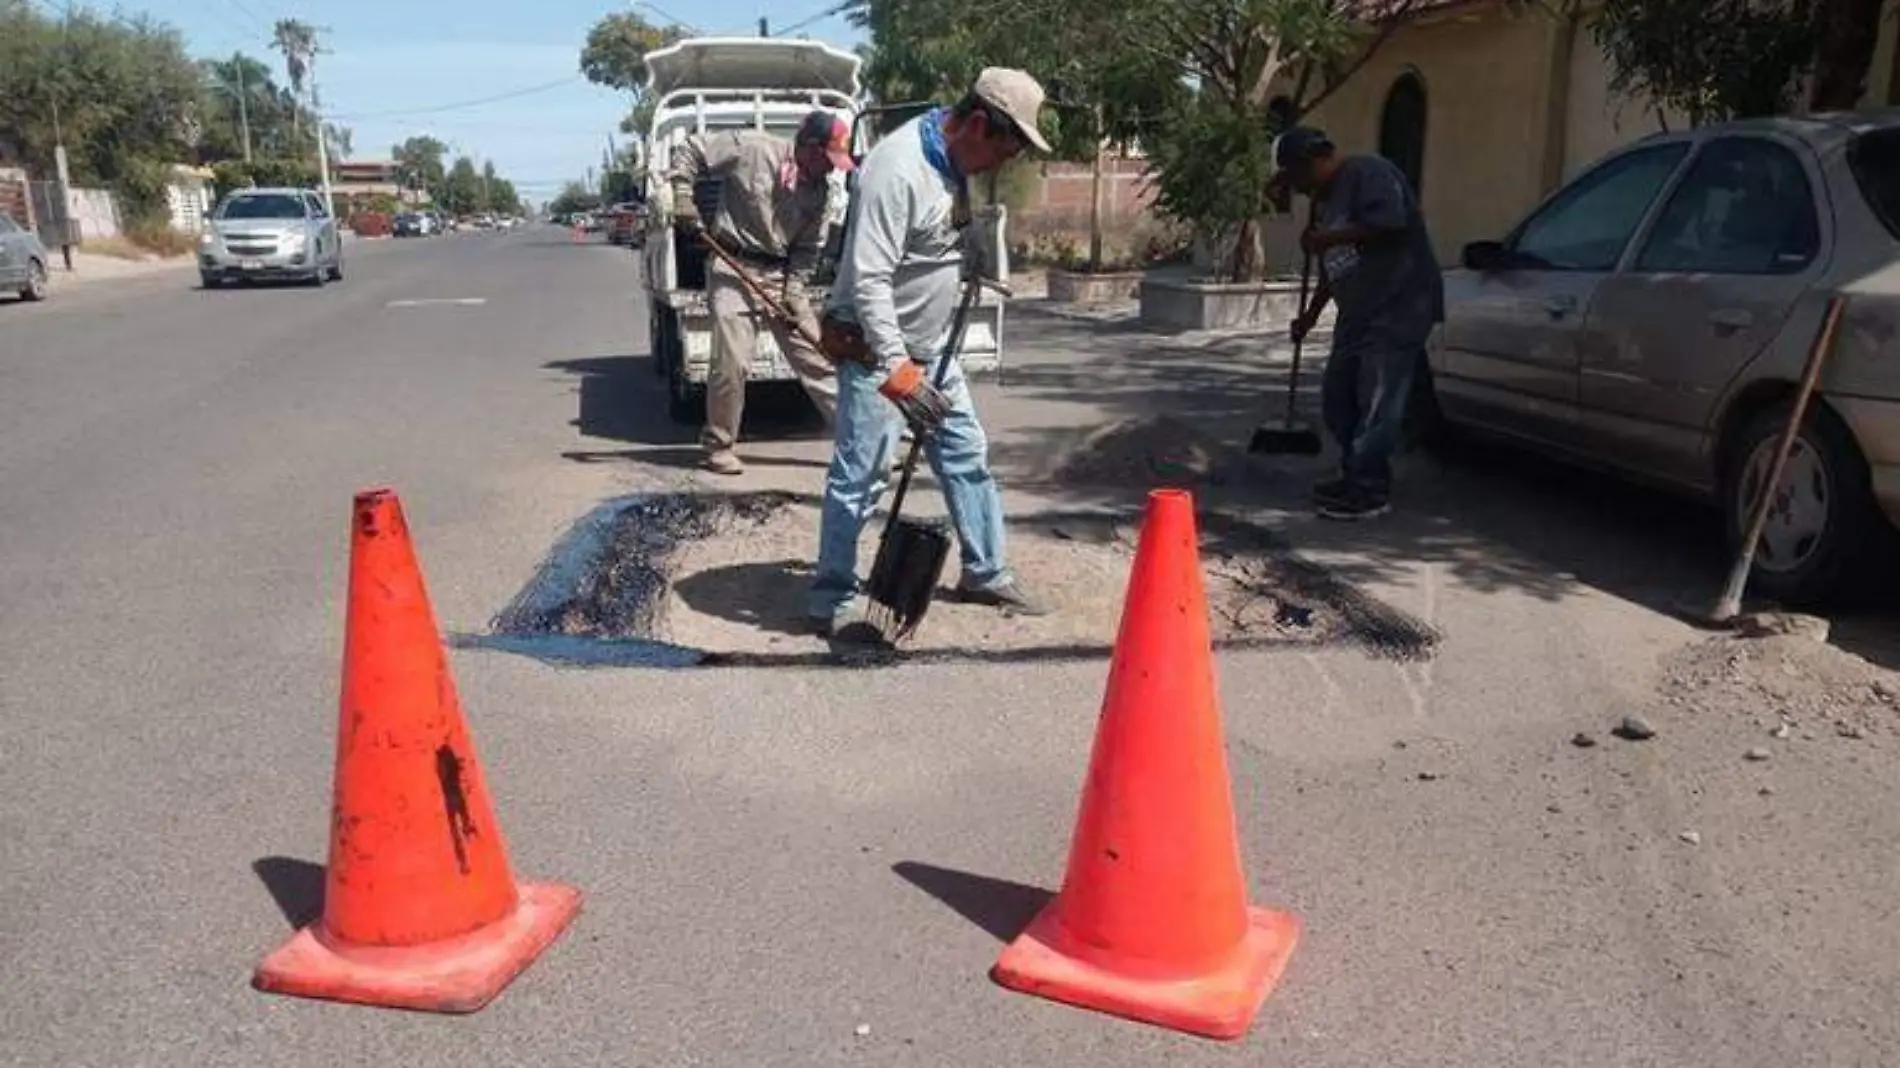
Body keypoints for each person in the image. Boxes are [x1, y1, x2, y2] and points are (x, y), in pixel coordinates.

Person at [806, 67, 1053, 639]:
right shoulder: (897, 171)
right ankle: (831, 596)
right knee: (863, 473)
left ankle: (986, 572)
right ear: (972, 124)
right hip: (877, 351)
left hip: (933, 347)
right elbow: (869, 281)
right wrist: (897, 372)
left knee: (965, 451)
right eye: (1003, 151)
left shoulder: (951, 158)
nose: (1001, 165)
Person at [669, 110, 855, 476]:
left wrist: (793, 290)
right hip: (733, 266)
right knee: (732, 362)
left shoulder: (819, 193)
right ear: (810, 148)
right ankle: (719, 446)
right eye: (829, 160)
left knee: (820, 358)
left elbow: (807, 250)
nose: (833, 170)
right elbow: (692, 149)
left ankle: (859, 441)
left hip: (782, 274)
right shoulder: (753, 148)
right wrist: (680, 193)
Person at [1275, 125, 1444, 521]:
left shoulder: (1368, 172)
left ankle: (1369, 489)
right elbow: (1335, 269)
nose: (1298, 189)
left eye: (1297, 177)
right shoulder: (1325, 202)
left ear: (1316, 159)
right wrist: (1310, 316)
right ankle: (1355, 472)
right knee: (1338, 397)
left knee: (1377, 397)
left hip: (1399, 304)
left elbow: (1391, 223)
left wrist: (1328, 239)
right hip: (1358, 311)